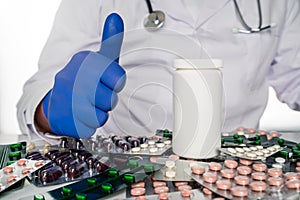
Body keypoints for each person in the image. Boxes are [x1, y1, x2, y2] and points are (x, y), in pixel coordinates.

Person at [17, 0, 300, 142]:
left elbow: (294, 77)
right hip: (127, 173)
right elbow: (37, 93)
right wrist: (51, 109)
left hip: (240, 176)